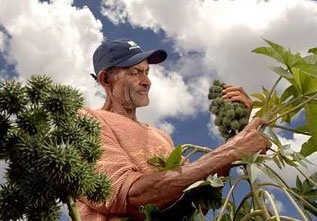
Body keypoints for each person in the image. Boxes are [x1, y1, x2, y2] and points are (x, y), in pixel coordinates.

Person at [76, 38, 271, 221]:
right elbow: (130, 197)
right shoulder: (86, 121)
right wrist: (231, 151)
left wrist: (235, 135)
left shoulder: (162, 136)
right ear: (106, 79)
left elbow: (196, 201)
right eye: (134, 73)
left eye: (146, 72)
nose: (146, 81)